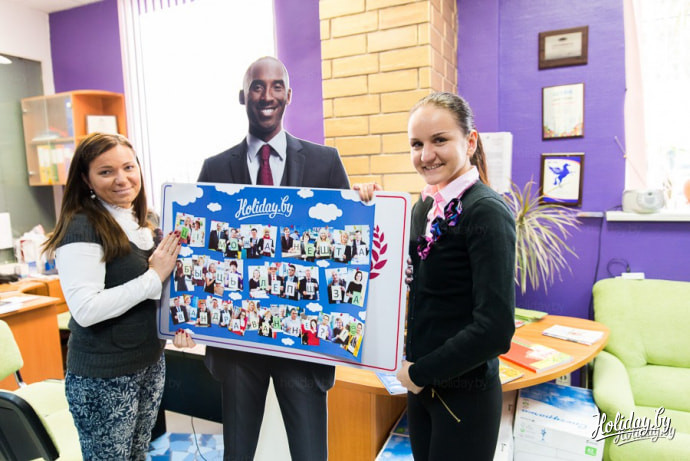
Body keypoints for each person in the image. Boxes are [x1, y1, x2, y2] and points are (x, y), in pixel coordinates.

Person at [197, 56, 350, 460]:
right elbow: (201, 252)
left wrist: (365, 203)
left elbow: (347, 245)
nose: (267, 95)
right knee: (238, 453)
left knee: (310, 453)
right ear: (242, 96)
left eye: (276, 86)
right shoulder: (214, 168)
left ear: (289, 95)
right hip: (238, 345)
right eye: (257, 86)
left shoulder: (325, 162)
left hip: (303, 343)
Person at [355, 92, 516, 460]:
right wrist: (369, 210)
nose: (426, 155)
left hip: (463, 398)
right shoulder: (423, 207)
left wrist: (420, 373)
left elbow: (495, 328)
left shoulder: (487, 212)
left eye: (439, 140)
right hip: (421, 389)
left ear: (470, 142)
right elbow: (404, 280)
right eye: (417, 144)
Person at [41, 133, 192, 459]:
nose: (122, 179)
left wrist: (179, 324)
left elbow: (161, 290)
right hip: (104, 377)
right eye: (106, 171)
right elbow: (86, 309)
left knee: (138, 454)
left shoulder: (147, 219)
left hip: (149, 363)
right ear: (86, 179)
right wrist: (153, 276)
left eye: (128, 167)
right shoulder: (81, 227)